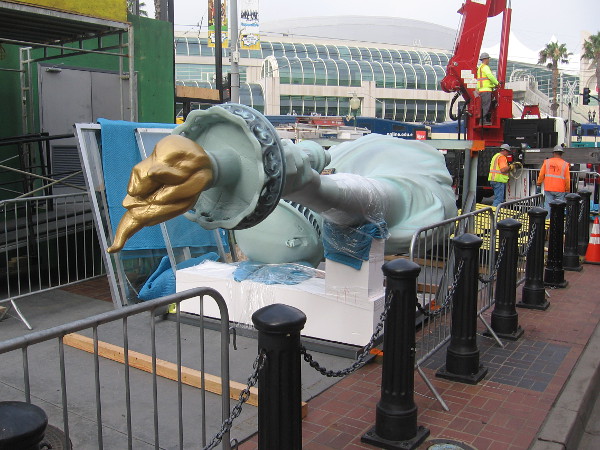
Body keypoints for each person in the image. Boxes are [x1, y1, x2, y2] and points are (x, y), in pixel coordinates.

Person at [537, 145, 570, 212]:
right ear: (561, 154)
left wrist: (539, 184)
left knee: (548, 205)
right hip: (560, 189)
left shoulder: (547, 162)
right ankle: (558, 218)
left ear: (553, 153)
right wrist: (567, 190)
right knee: (559, 206)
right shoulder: (565, 164)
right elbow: (567, 179)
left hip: (548, 188)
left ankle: (548, 218)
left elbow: (541, 174)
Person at [477, 52, 499, 125]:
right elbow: (490, 76)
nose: (489, 60)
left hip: (481, 90)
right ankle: (483, 121)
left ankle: (482, 120)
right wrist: (497, 83)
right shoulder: (485, 67)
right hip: (486, 90)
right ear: (485, 59)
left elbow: (483, 80)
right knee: (486, 106)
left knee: (483, 105)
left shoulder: (480, 68)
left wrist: (492, 85)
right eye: (488, 59)